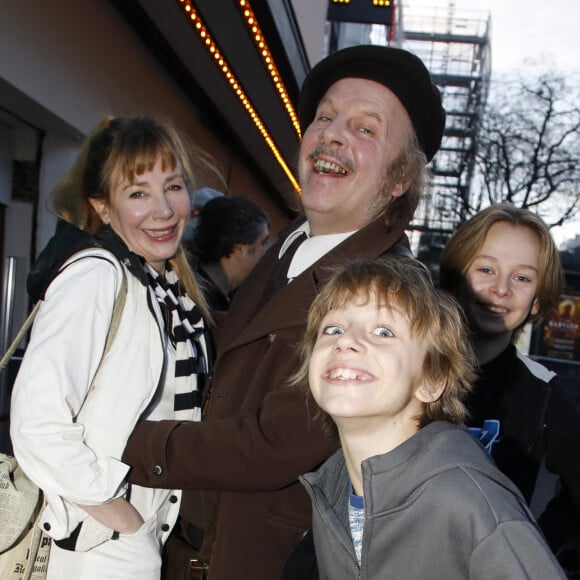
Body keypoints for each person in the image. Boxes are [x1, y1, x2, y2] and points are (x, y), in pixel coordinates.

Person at [122, 44, 446, 580]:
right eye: (324, 117)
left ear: (399, 180)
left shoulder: (390, 292)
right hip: (189, 544)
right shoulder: (293, 243)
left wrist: (121, 442)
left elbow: (272, 445)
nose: (332, 134)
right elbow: (247, 349)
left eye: (366, 129)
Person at [10, 115, 214, 579]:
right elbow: (37, 421)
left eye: (174, 186)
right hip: (96, 544)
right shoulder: (98, 276)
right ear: (102, 206)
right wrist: (114, 507)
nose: (163, 209)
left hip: (132, 534)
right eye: (138, 193)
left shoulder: (166, 286)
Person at [290, 257, 565, 579]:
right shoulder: (332, 484)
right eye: (333, 328)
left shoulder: (468, 500)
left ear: (432, 381)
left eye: (383, 331)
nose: (345, 341)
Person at [439, 202, 580, 560]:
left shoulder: (545, 394)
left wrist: (534, 545)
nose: (501, 289)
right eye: (486, 269)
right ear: (457, 276)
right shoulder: (404, 366)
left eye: (522, 278)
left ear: (536, 300)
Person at [188, 195, 270, 312]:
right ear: (240, 249)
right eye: (263, 243)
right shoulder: (193, 300)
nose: (265, 253)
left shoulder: (230, 303)